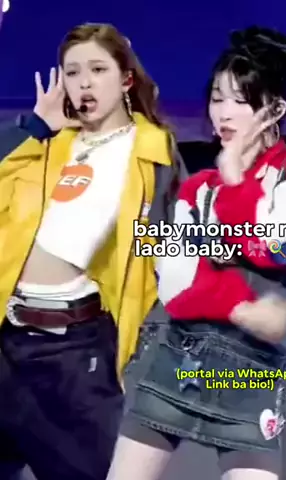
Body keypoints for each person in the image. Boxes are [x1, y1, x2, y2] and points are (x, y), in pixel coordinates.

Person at [108, 26, 286, 480]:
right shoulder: (197, 189)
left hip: (251, 377)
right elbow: (177, 286)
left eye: (240, 101)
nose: (223, 113)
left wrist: (237, 185)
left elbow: (281, 248)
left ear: (274, 108)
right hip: (176, 359)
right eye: (216, 98)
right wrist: (243, 307)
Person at [0, 23, 182, 480]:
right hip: (7, 340)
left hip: (75, 352)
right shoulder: (50, 141)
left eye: (98, 70)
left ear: (126, 78)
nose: (84, 83)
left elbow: (177, 246)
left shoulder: (152, 152)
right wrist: (34, 128)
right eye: (73, 71)